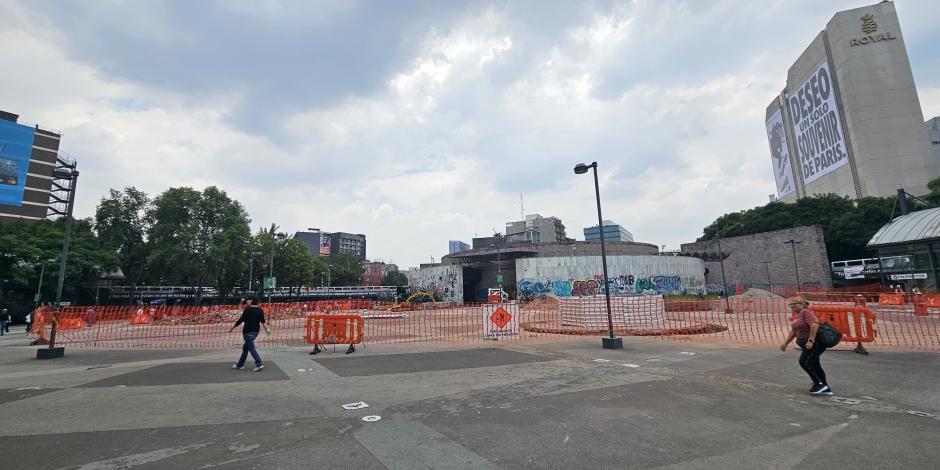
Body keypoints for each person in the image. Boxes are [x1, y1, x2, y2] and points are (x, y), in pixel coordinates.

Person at [780, 297, 832, 396]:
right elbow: (794, 331)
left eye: (794, 304)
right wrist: (786, 343)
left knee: (804, 362)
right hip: (806, 344)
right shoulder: (797, 316)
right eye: (790, 304)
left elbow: (814, 325)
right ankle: (824, 386)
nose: (792, 306)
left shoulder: (806, 313)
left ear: (801, 305)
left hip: (814, 343)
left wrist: (810, 340)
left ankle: (819, 384)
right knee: (815, 365)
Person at [229, 298, 269, 371]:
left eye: (249, 300)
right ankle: (240, 364)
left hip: (248, 332)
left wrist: (233, 327)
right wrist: (268, 331)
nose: (247, 301)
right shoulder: (260, 310)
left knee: (251, 348)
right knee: (245, 348)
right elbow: (263, 322)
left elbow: (241, 319)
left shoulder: (248, 309)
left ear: (251, 302)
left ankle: (259, 363)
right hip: (256, 332)